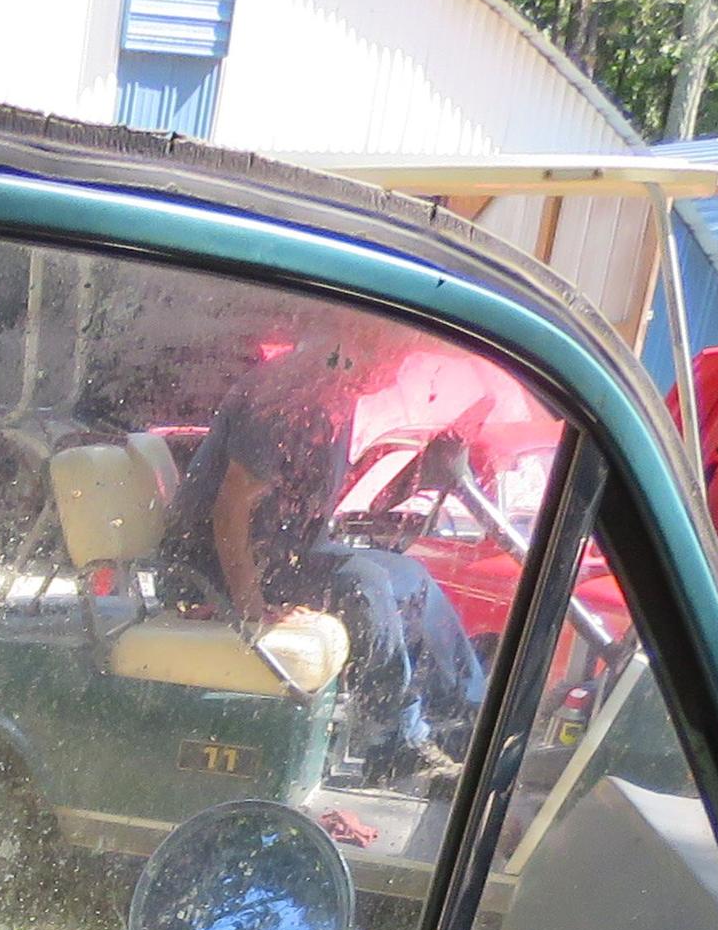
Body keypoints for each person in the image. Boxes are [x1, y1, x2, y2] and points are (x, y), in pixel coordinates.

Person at [152, 321, 487, 784]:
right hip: (218, 567)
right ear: (357, 346)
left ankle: (476, 722)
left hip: (283, 553)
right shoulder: (289, 400)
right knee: (364, 583)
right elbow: (230, 512)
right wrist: (251, 610)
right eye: (394, 359)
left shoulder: (334, 396)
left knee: (409, 576)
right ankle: (393, 743)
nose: (395, 375)